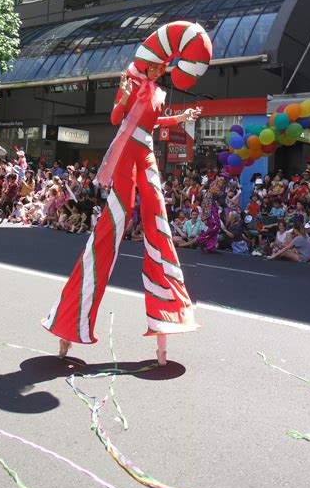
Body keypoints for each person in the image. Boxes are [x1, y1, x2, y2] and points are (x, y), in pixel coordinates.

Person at [43, 24, 210, 365]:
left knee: (158, 222)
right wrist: (124, 94)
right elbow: (118, 117)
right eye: (158, 66)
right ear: (150, 63)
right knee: (113, 224)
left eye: (164, 67)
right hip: (125, 154)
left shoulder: (159, 93)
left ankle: (169, 317)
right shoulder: (131, 82)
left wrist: (183, 116)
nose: (160, 70)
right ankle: (68, 323)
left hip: (145, 154)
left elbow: (155, 123)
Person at [196, 176, 226, 253]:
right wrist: (205, 216)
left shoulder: (214, 189)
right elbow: (218, 193)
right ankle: (201, 239)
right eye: (221, 180)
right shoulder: (212, 190)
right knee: (216, 226)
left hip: (213, 207)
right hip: (210, 208)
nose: (222, 182)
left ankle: (210, 247)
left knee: (214, 228)